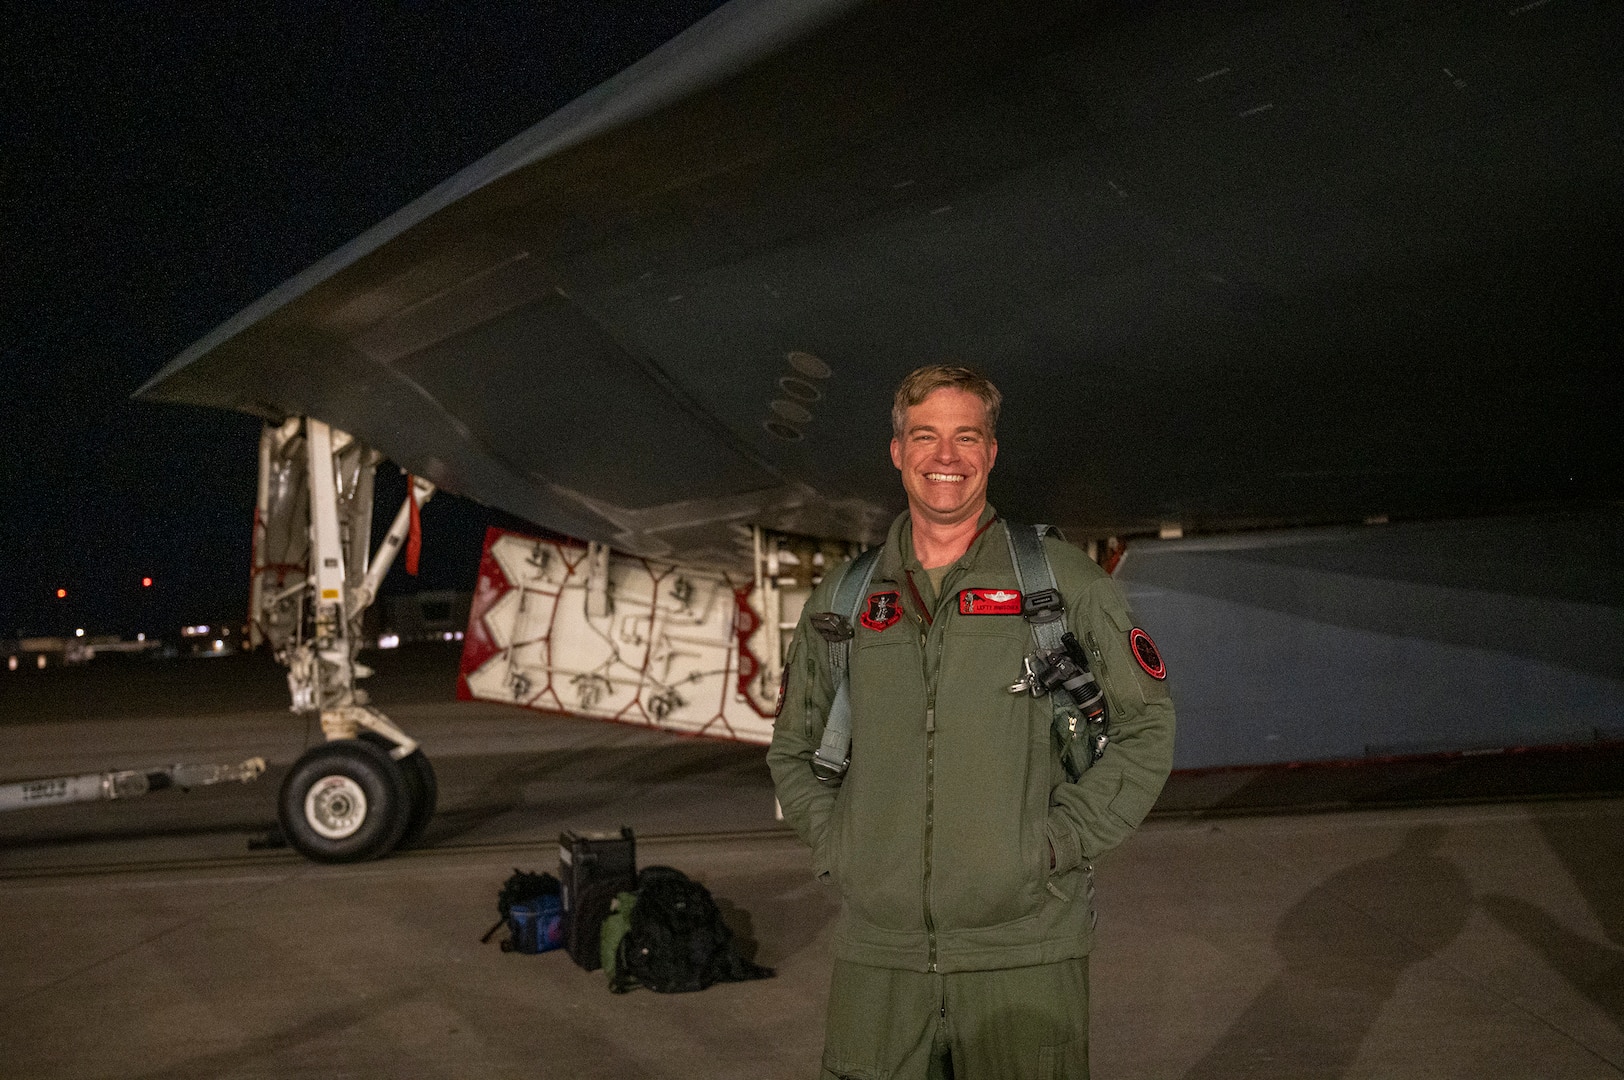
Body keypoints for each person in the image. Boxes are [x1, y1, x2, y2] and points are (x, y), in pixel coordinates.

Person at [767, 364, 1176, 1079]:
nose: (945, 457)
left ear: (991, 452)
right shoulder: (848, 598)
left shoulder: (1059, 585)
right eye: (925, 436)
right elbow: (794, 747)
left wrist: (1057, 843)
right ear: (897, 451)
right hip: (879, 955)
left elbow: (1146, 730)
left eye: (966, 437)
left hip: (1026, 948)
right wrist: (842, 845)